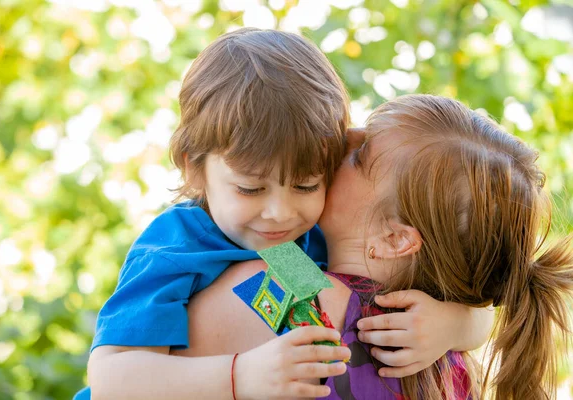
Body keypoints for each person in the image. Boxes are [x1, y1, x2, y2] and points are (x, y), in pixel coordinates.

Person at [78, 27, 492, 399]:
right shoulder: (176, 245)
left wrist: (454, 326)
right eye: (250, 188)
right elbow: (112, 380)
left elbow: (484, 313)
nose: (280, 213)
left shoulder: (307, 242)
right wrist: (239, 376)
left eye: (306, 185)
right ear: (194, 167)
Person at [179, 95, 573, 400]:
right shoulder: (449, 357)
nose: (342, 139)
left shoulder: (282, 279)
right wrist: (465, 322)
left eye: (360, 155)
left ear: (395, 238)